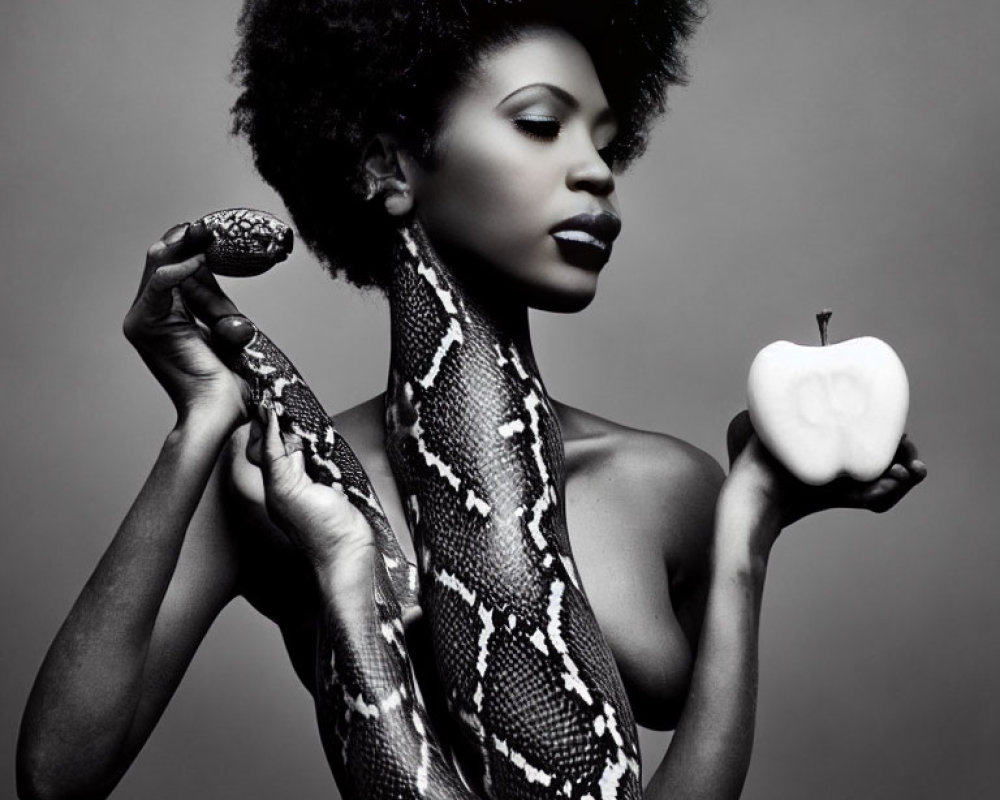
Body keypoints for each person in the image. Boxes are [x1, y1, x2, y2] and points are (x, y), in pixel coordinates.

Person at [16, 1, 926, 799]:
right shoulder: (282, 482)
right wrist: (201, 420)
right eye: (540, 124)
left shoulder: (666, 483)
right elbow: (58, 776)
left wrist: (752, 517)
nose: (598, 173)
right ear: (386, 166)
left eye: (606, 143)